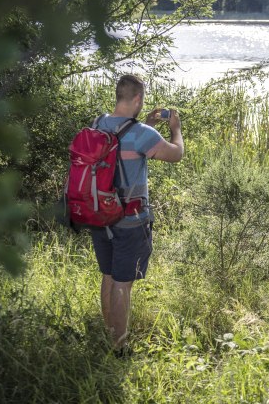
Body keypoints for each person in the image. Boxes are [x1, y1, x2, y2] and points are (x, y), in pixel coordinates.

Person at [89, 74, 184, 355]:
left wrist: (149, 125)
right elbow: (176, 154)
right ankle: (119, 349)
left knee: (108, 275)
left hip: (99, 213)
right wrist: (175, 128)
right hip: (129, 221)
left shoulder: (98, 123)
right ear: (138, 99)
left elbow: (120, 146)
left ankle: (110, 335)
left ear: (119, 96)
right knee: (122, 283)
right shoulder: (143, 134)